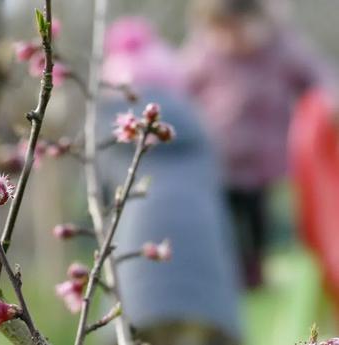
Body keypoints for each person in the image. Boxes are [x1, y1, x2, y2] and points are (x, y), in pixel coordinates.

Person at [98, 17, 241, 345]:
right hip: (204, 273)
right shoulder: (200, 126)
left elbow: (99, 197)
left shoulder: (106, 132)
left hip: (136, 275)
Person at [180, 0, 338, 288]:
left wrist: (329, 99)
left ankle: (257, 271)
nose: (231, 41)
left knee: (259, 216)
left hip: (265, 158)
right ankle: (230, 271)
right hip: (221, 157)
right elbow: (181, 86)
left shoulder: (281, 50)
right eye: (220, 31)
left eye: (238, 29)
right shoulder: (205, 55)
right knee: (224, 219)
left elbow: (316, 75)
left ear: (260, 19)